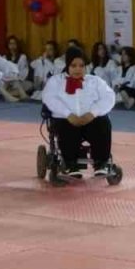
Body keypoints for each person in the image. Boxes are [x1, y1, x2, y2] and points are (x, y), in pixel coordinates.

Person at [42, 47, 116, 178]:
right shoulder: (56, 81)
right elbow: (49, 98)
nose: (78, 69)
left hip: (90, 121)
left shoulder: (95, 81)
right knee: (66, 127)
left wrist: (92, 113)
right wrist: (68, 114)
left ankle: (101, 164)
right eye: (73, 65)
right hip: (66, 120)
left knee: (103, 123)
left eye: (81, 66)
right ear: (67, 66)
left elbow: (109, 97)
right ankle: (71, 165)